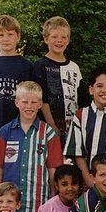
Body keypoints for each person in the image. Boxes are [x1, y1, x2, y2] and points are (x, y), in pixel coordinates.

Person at [0, 81, 63, 212]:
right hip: (9, 204)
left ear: (40, 104)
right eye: (24, 102)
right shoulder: (5, 131)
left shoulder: (48, 133)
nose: (29, 106)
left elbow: (53, 169)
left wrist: (54, 198)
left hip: (38, 203)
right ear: (17, 102)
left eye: (33, 102)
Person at [63, 65, 106, 188]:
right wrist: (90, 184)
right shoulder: (80, 116)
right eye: (99, 86)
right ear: (91, 89)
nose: (104, 90)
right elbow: (78, 155)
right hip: (85, 184)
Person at [33, 16, 82, 145]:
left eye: (63, 37)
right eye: (54, 37)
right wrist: (51, 125)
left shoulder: (74, 67)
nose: (59, 41)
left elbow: (81, 97)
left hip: (73, 125)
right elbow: (41, 99)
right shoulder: (40, 65)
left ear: (68, 40)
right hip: (48, 126)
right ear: (46, 39)